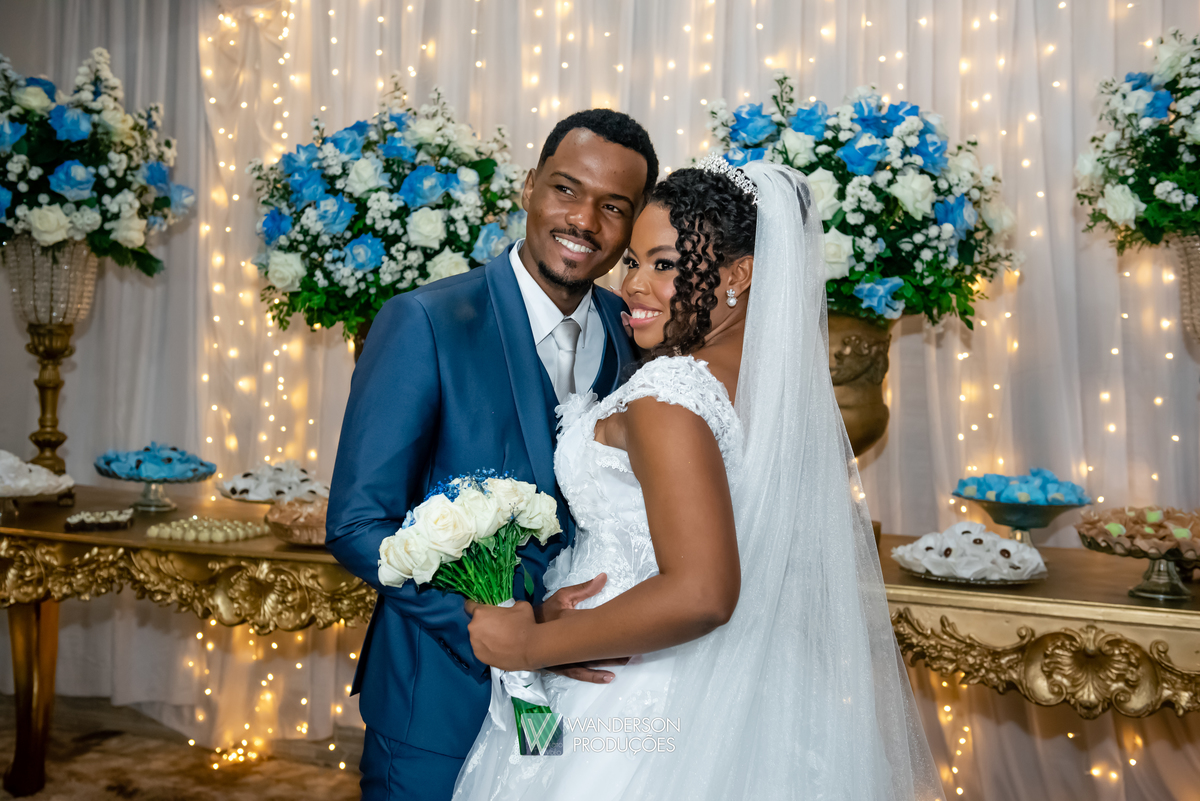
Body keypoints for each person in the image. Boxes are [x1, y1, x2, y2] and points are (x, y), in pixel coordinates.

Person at [453, 159, 944, 800]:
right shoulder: (778, 396)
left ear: (739, 274)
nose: (633, 284)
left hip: (635, 697)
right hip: (759, 692)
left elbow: (702, 593)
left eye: (664, 264)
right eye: (634, 261)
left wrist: (529, 647)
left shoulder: (669, 392)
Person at [325, 109, 658, 801]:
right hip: (439, 697)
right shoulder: (425, 322)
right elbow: (358, 524)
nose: (584, 220)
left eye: (613, 206)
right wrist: (505, 628)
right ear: (530, 186)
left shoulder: (635, 339)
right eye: (566, 189)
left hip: (582, 706)